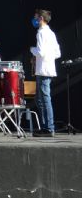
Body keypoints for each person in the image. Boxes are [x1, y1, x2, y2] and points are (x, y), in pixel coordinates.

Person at [30, 9, 61, 138]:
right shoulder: (51, 33)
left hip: (43, 69)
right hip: (47, 68)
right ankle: (45, 127)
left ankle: (48, 128)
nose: (34, 19)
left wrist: (32, 50)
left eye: (36, 17)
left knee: (44, 98)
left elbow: (41, 52)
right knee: (41, 98)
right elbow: (57, 53)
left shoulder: (41, 33)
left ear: (41, 18)